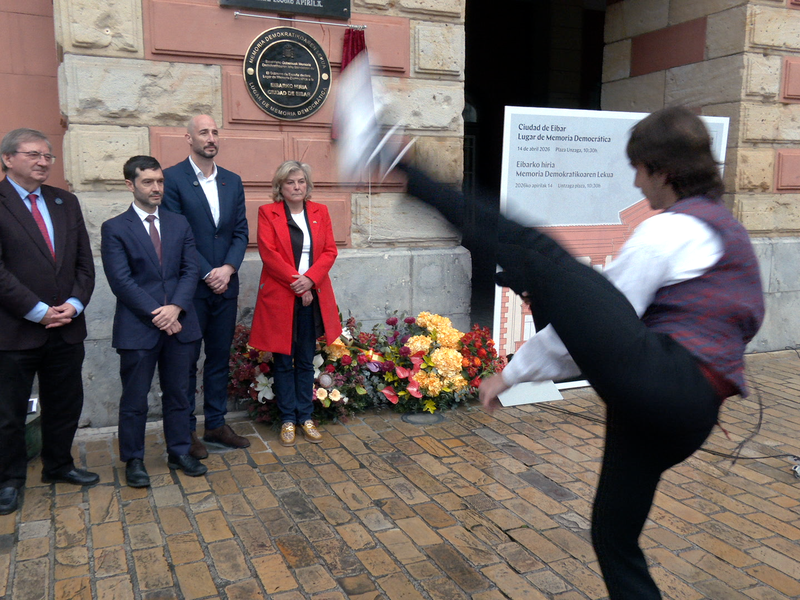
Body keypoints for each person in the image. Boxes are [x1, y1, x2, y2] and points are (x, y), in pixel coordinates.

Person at [392, 107, 764, 599]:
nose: (636, 182)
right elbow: (742, 320)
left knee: (537, 251)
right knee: (613, 535)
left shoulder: (670, 230)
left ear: (663, 170)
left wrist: (511, 374)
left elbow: (610, 314)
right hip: (682, 416)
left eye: (640, 168)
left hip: (667, 386)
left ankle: (397, 164)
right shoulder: (730, 234)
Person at [0, 128, 99, 515]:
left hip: (67, 327)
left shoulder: (65, 202)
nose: (43, 162)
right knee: (9, 413)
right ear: (8, 158)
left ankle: (58, 465)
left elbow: (84, 264)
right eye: (33, 155)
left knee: (65, 404)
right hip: (16, 329)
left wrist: (74, 304)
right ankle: (9, 479)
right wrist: (39, 310)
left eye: (48, 156)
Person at [101, 155, 208, 488]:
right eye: (148, 182)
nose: (156, 187)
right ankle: (133, 459)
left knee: (179, 394)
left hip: (181, 324)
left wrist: (175, 307)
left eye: (160, 181)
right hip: (139, 328)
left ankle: (178, 451)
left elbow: (191, 271)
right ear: (130, 185)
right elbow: (121, 281)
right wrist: (159, 315)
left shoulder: (179, 223)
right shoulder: (115, 228)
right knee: (134, 399)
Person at [163, 115, 250, 459]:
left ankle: (215, 423)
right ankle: (185, 430)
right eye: (204, 132)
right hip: (190, 289)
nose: (211, 138)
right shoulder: (171, 179)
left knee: (218, 357)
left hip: (225, 286)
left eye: (215, 132)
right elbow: (175, 234)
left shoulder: (232, 181)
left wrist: (227, 269)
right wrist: (206, 272)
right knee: (186, 361)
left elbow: (240, 232)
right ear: (188, 138)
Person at [248, 161, 342, 446]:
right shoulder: (268, 213)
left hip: (312, 295)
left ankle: (306, 416)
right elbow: (270, 253)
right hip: (282, 297)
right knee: (283, 360)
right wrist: (298, 283)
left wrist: (310, 280)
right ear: (280, 186)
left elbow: (329, 251)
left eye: (301, 181)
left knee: (305, 359)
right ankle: (288, 418)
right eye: (290, 182)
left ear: (307, 184)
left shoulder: (320, 212)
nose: (296, 186)